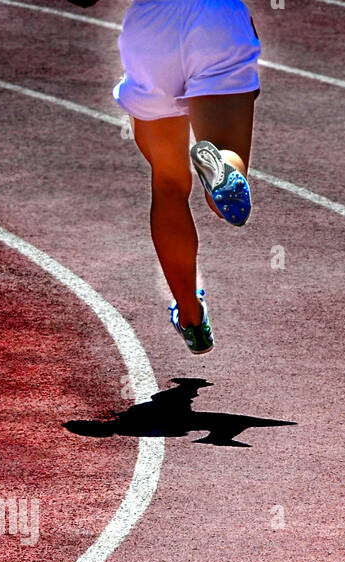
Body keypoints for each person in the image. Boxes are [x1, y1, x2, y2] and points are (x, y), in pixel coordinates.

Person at [68, 0, 261, 355]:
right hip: (216, 21)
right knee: (226, 153)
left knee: (169, 184)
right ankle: (222, 167)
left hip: (151, 31)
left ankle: (190, 315)